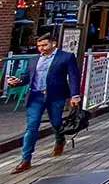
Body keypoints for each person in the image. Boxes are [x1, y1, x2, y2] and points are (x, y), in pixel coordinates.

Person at [8, 34, 82, 174]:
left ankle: (60, 140)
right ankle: (26, 159)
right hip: (35, 96)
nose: (41, 48)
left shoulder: (66, 57)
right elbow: (27, 77)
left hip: (55, 96)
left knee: (56, 122)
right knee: (32, 126)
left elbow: (73, 76)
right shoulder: (34, 59)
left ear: (53, 44)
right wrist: (16, 81)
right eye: (39, 46)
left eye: (44, 45)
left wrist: (75, 95)